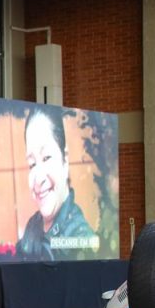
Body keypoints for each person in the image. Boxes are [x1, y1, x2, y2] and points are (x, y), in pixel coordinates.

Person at [16, 107, 96, 261]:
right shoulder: (33, 226)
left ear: (64, 159)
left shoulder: (81, 237)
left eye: (46, 158)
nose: (39, 179)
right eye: (32, 164)